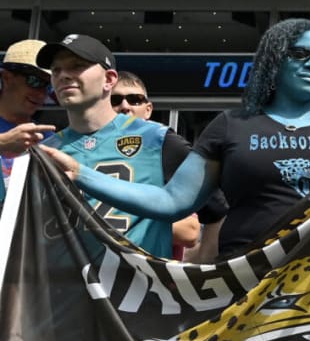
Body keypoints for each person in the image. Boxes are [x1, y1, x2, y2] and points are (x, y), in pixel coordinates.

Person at [41, 19, 310, 258]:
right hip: (249, 281)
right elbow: (171, 202)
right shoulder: (231, 125)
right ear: (275, 60)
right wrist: (81, 174)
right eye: (301, 54)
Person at [35, 34, 224, 258]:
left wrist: (199, 275)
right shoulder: (46, 150)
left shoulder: (157, 140)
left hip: (136, 290)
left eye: (77, 66)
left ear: (109, 79)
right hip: (62, 289)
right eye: (56, 70)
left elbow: (218, 211)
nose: (64, 75)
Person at [111, 70, 203, 260]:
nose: (125, 106)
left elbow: (189, 231)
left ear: (148, 109)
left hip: (153, 280)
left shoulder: (165, 150)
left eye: (135, 99)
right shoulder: (82, 151)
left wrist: (113, 221)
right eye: (115, 100)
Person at [0, 39, 56, 204]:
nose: (41, 94)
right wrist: (3, 142)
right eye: (35, 81)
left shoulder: (50, 139)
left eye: (48, 86)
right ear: (7, 78)